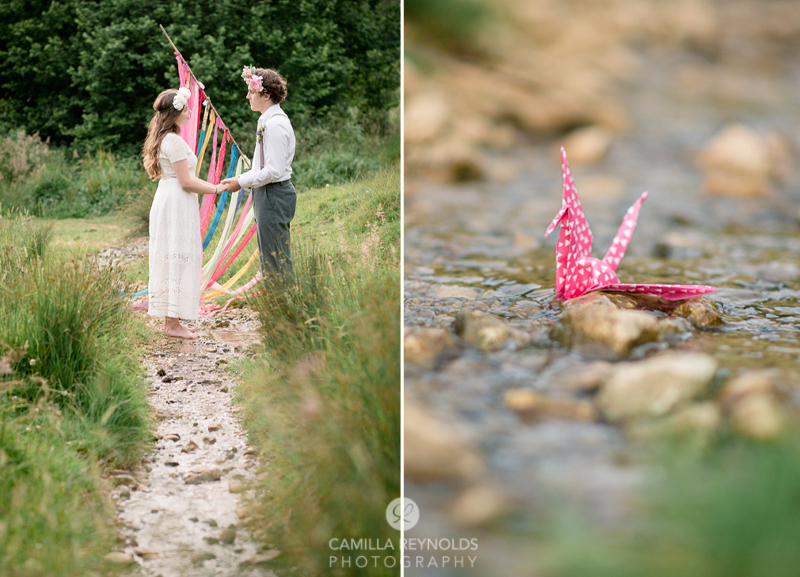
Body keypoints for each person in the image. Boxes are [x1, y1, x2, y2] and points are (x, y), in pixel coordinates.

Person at [142, 87, 226, 339]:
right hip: (175, 202)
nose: (191, 112)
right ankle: (172, 323)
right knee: (175, 259)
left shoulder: (167, 139)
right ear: (175, 113)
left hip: (171, 199)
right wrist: (216, 188)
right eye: (186, 108)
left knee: (174, 258)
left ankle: (173, 320)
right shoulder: (174, 142)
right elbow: (186, 182)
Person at [220, 66, 296, 282]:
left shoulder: (275, 124)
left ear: (266, 94)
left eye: (251, 92)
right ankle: (276, 303)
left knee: (275, 257)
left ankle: (282, 307)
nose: (247, 96)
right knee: (268, 254)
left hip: (274, 193)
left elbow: (274, 170)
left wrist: (241, 181)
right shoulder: (265, 121)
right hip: (266, 193)